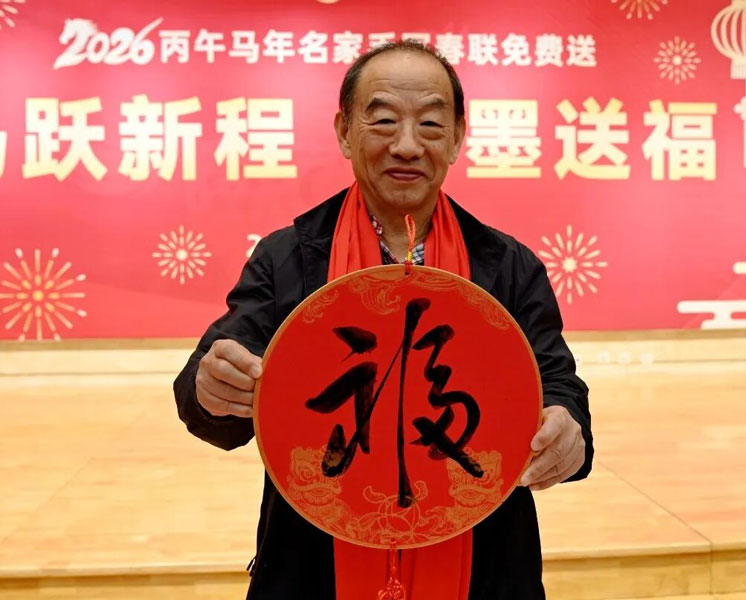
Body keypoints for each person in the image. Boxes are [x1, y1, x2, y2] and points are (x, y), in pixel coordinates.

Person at [174, 40, 593, 600]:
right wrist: (213, 387)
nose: (407, 145)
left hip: (483, 566)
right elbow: (208, 394)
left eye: (431, 124)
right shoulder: (288, 258)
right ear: (344, 131)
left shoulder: (507, 265)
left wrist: (567, 425)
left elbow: (557, 382)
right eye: (384, 120)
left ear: (457, 138)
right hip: (315, 567)